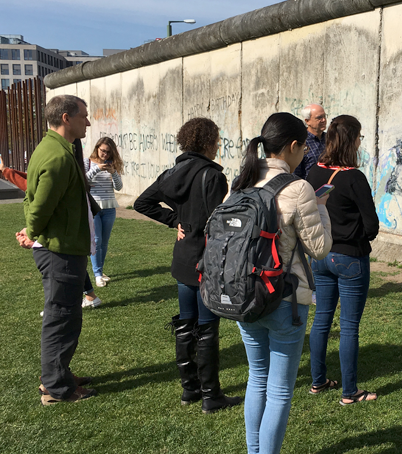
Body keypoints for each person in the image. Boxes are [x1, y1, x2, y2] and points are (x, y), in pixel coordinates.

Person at [233, 112, 332, 454]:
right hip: (284, 299)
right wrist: (320, 209)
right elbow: (319, 249)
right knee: (278, 390)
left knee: (256, 378)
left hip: (243, 296)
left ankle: (254, 450)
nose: (307, 154)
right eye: (304, 148)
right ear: (292, 147)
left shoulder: (242, 180)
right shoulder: (298, 188)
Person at [134, 117, 242, 414]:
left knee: (186, 324)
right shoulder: (211, 176)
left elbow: (142, 202)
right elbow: (217, 224)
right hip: (205, 260)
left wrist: (177, 221)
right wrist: (174, 220)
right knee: (205, 327)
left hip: (184, 258)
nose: (219, 145)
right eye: (217, 140)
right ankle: (210, 395)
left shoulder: (173, 172)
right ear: (207, 142)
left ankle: (190, 389)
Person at [21, 94, 97, 404]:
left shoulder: (53, 148)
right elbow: (39, 205)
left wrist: (32, 229)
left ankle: (57, 374)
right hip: (60, 250)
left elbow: (31, 198)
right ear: (66, 118)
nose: (88, 122)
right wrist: (31, 231)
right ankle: (55, 387)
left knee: (62, 315)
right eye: (83, 116)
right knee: (62, 317)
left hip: (62, 246)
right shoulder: (58, 156)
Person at [306, 115, 379, 405]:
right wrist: (355, 234)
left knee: (321, 319)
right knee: (349, 326)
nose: (361, 143)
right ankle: (349, 392)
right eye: (359, 137)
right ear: (352, 141)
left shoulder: (314, 172)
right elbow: (371, 226)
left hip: (320, 255)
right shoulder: (354, 178)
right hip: (349, 257)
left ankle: (317, 380)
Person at [2, 148, 103, 311]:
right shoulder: (59, 161)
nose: (87, 123)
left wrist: (31, 233)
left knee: (64, 266)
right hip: (59, 235)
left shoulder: (59, 162)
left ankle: (64, 304)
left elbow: (40, 201)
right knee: (69, 264)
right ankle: (87, 296)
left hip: (58, 237)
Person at [84, 137, 123, 288]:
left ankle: (100, 270)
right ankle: (97, 274)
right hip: (93, 206)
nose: (105, 154)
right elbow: (83, 180)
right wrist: (97, 168)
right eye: (102, 151)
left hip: (109, 207)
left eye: (108, 152)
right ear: (97, 148)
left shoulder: (113, 164)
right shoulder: (88, 162)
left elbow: (119, 187)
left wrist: (113, 172)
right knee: (96, 240)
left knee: (104, 242)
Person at [293, 103, 327, 179]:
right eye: (319, 118)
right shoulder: (301, 142)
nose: (324, 120)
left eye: (324, 116)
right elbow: (296, 174)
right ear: (307, 121)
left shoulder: (330, 139)